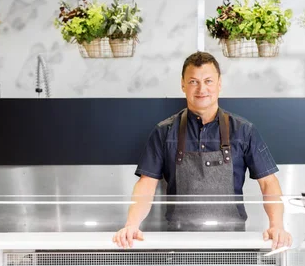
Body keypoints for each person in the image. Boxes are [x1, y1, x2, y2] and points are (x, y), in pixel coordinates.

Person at [112, 51, 292, 249]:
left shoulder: (243, 130)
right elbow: (146, 184)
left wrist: (277, 226)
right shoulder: (164, 131)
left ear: (219, 84)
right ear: (182, 85)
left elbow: (268, 183)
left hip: (233, 244)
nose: (201, 89)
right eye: (193, 82)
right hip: (178, 244)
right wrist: (131, 225)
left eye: (208, 81)